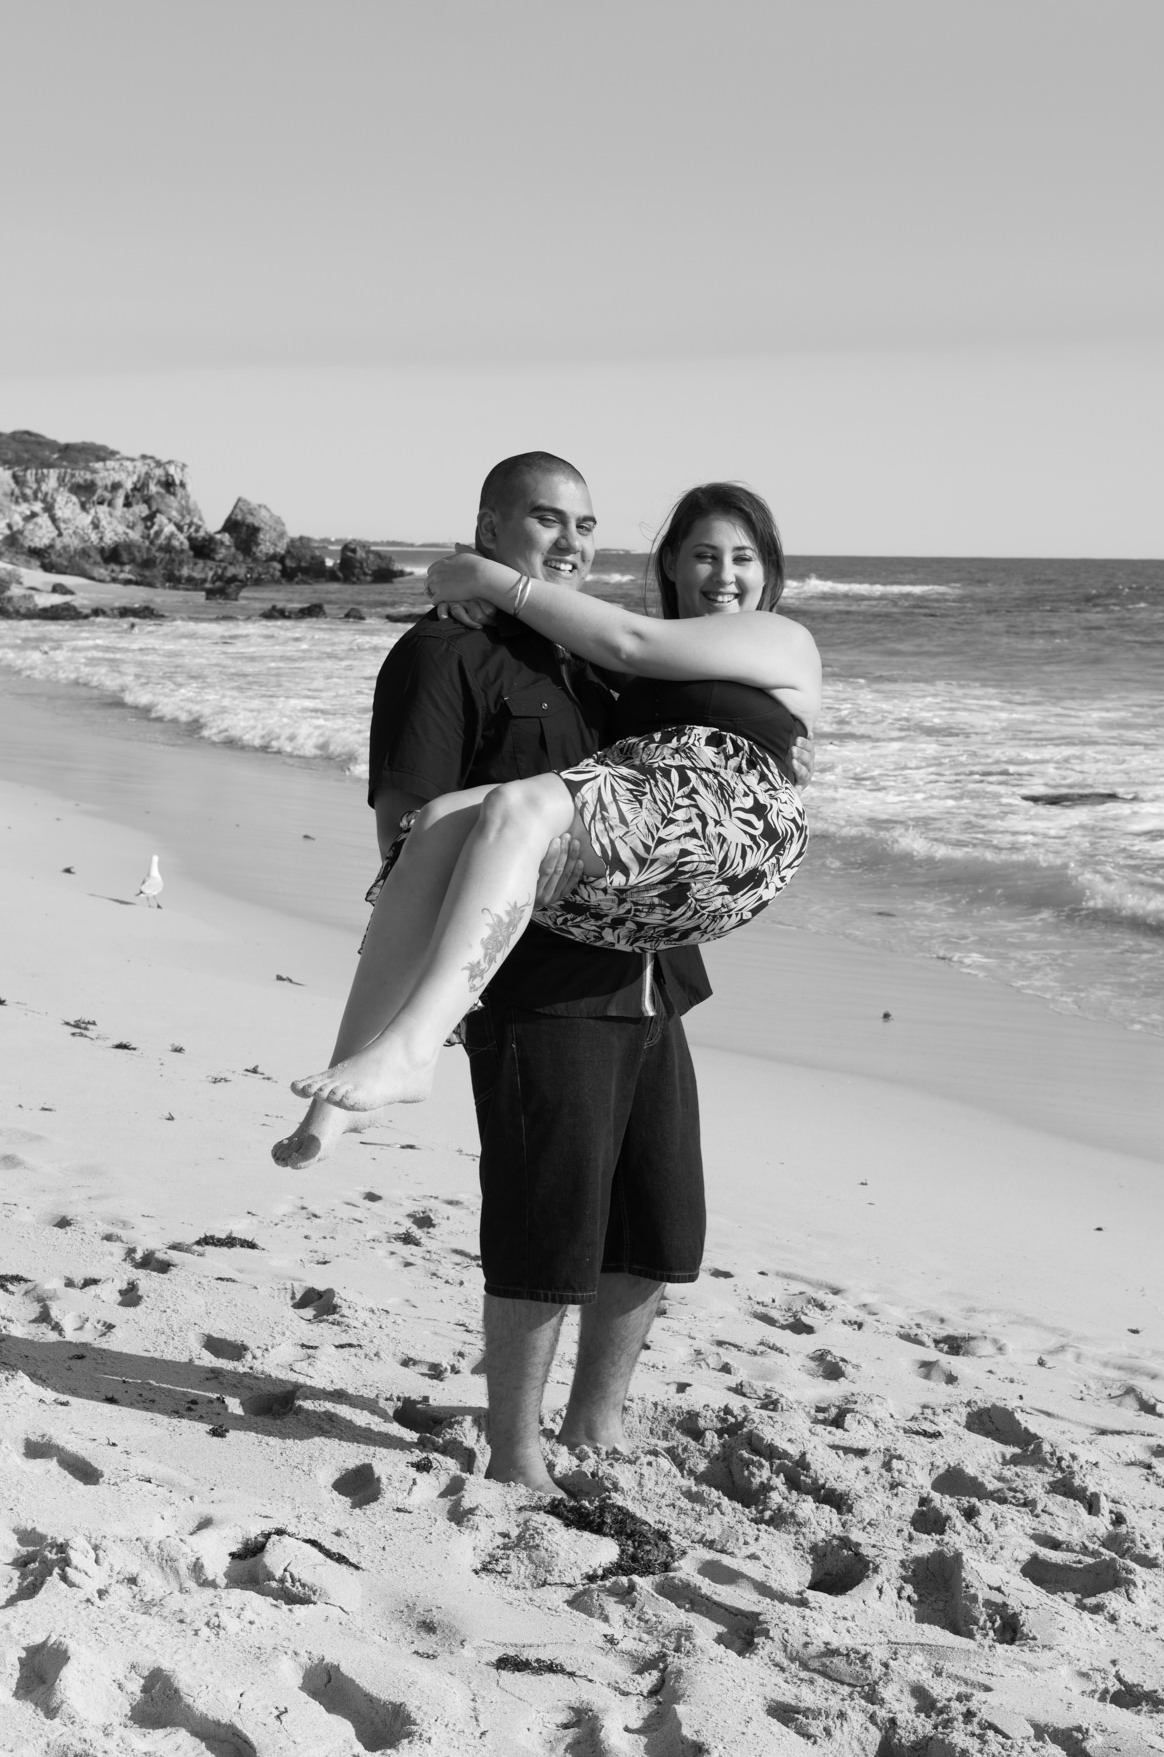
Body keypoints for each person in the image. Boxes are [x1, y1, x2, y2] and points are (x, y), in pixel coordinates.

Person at [275, 454, 814, 1496]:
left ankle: (595, 1427)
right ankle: (518, 1453)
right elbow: (406, 830)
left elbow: (669, 724)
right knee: (543, 1224)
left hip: (653, 976)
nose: (567, 542)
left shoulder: (604, 661)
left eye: (584, 525)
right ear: (490, 525)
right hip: (538, 985)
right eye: (542, 520)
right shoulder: (444, 653)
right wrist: (455, 985)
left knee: (655, 1226)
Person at [291, 487, 819, 1110]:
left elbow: (628, 640)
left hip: (726, 812)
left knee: (518, 808)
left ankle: (414, 1050)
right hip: (650, 858)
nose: (725, 575)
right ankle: (336, 1102)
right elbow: (605, 645)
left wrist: (484, 577)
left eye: (744, 558)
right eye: (706, 555)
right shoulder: (637, 673)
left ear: (770, 571)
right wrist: (477, 599)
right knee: (434, 823)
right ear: (673, 562)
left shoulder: (780, 637)